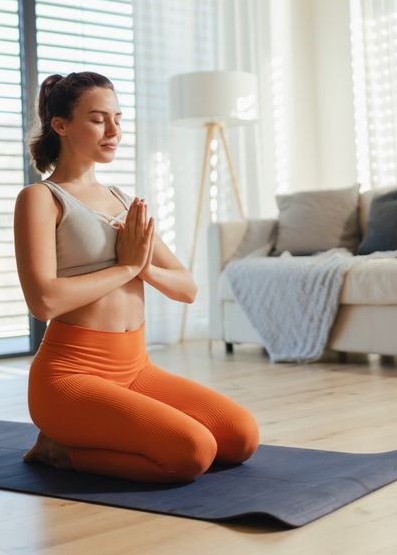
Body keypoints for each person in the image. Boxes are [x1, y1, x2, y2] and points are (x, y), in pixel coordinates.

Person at [13, 71, 259, 483]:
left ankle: (90, 436)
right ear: (61, 125)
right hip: (70, 378)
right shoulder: (40, 199)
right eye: (97, 119)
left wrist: (143, 267)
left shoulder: (123, 201)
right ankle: (58, 450)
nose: (114, 131)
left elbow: (187, 287)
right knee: (192, 453)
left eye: (118, 119)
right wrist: (125, 268)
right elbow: (44, 301)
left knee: (241, 437)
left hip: (135, 369)